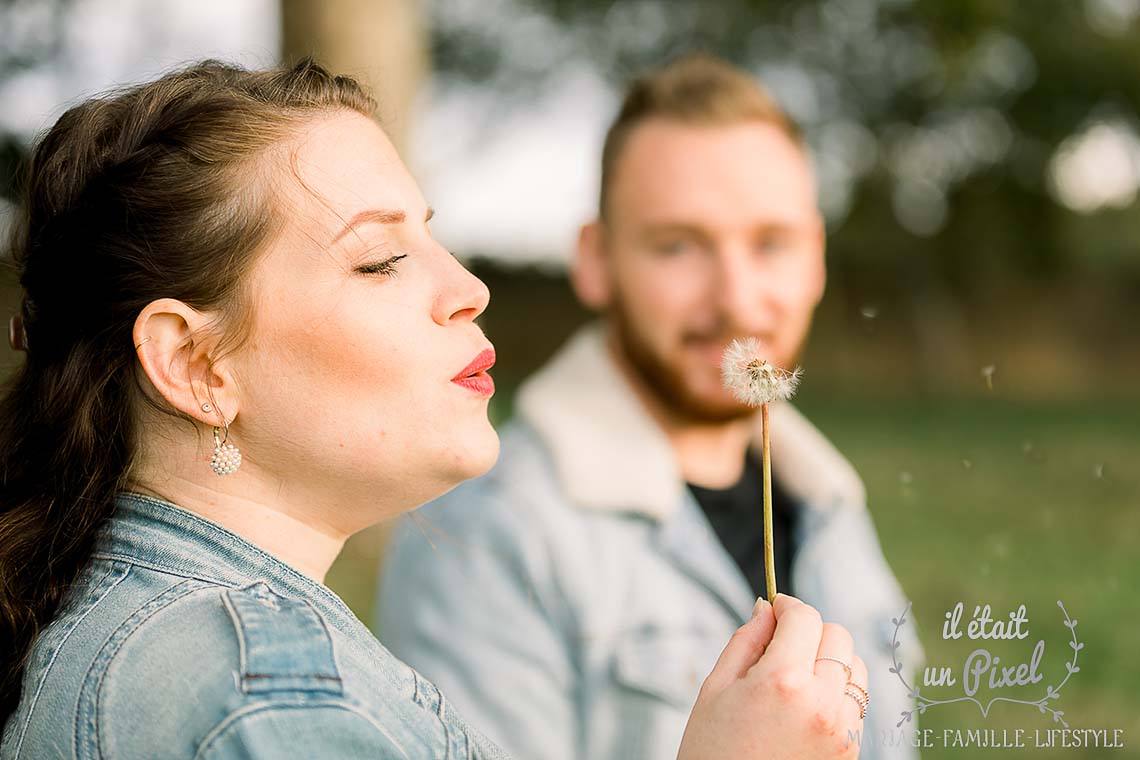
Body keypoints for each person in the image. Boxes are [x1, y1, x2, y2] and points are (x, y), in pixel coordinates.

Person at [0, 59, 868, 759]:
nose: (468, 288)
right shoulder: (267, 700)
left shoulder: (203, 647)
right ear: (195, 364)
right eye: (381, 259)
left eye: (434, 237)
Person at [378, 54, 922, 760]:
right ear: (596, 261)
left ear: (816, 258)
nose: (736, 297)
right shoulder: (486, 535)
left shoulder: (831, 505)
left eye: (771, 243)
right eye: (678, 246)